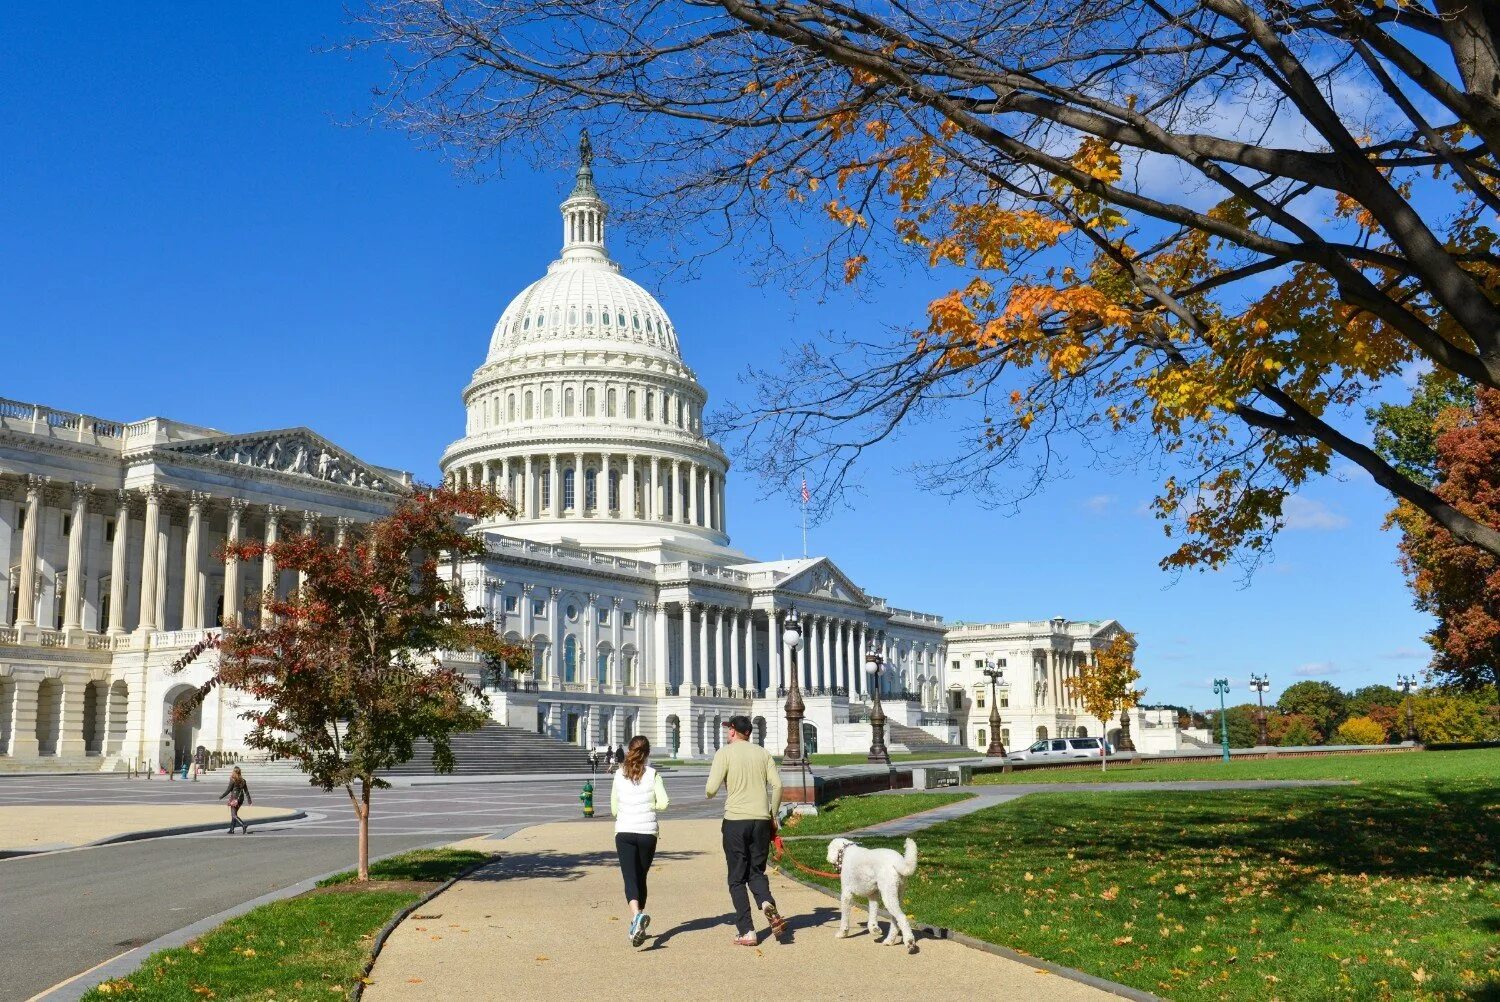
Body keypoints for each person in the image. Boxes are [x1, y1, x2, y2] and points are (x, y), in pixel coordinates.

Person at [705, 715, 787, 946]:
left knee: (736, 878)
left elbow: (710, 789)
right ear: (749, 733)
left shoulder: (725, 753)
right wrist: (773, 814)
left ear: (732, 731)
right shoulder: (763, 753)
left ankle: (747, 931)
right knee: (756, 872)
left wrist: (717, 788)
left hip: (735, 820)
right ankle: (766, 902)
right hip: (761, 819)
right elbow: (778, 785)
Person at [612, 735, 669, 947]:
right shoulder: (654, 775)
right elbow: (664, 803)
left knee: (630, 877)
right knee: (641, 876)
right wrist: (649, 806)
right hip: (647, 833)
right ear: (648, 753)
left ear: (630, 750)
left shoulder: (618, 775)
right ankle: (638, 920)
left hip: (625, 831)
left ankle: (636, 916)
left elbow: (614, 808)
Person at [219, 765, 252, 834]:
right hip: (241, 799)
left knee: (233, 815)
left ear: (234, 772)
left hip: (234, 798)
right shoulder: (243, 781)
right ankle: (232, 829)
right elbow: (246, 791)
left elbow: (228, 790)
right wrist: (249, 800)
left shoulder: (233, 780)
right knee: (234, 814)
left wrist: (222, 796)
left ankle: (243, 825)